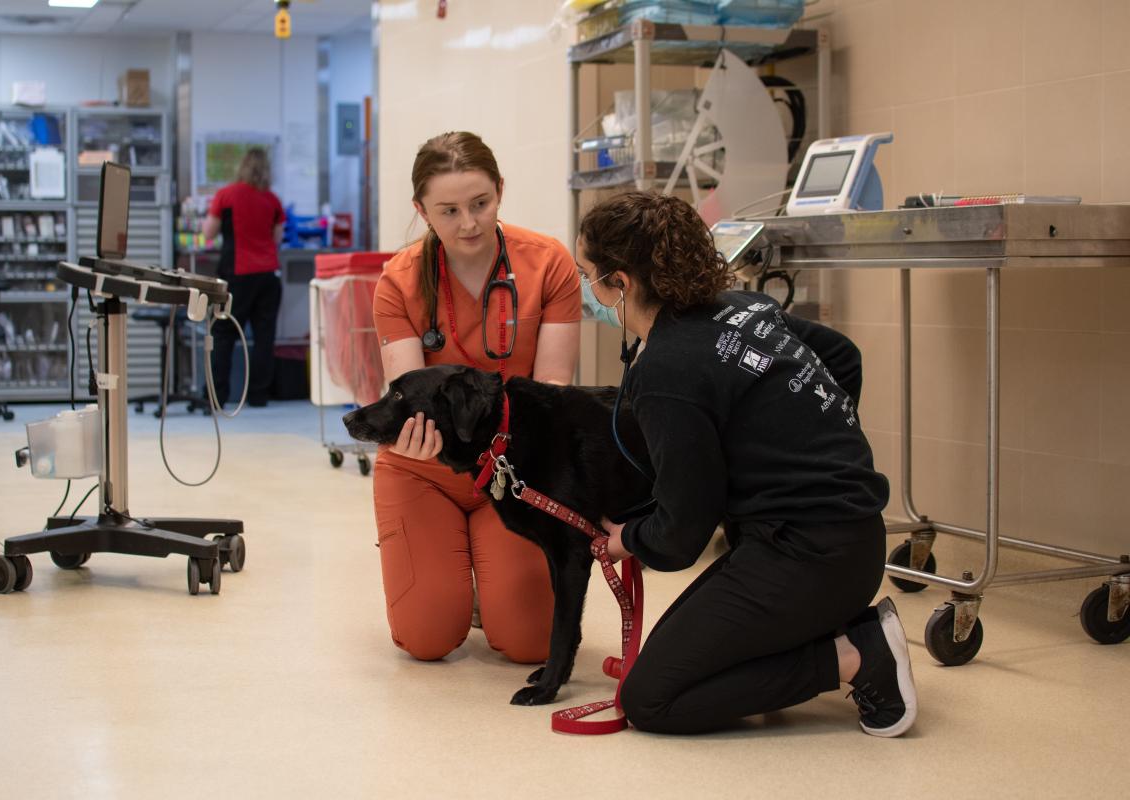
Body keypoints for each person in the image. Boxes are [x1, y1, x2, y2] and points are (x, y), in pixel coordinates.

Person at [578, 191, 917, 738]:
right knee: (698, 653)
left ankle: (857, 657)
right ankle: (835, 626)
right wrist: (804, 447)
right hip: (847, 541)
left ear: (621, 283)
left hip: (810, 559)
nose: (587, 290)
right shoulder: (743, 307)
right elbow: (842, 358)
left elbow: (681, 536)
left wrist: (628, 538)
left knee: (652, 699)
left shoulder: (665, 369)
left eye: (588, 274)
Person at [369, 131, 581, 663]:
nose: (469, 223)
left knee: (531, 645)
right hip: (425, 471)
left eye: (480, 204)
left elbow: (553, 392)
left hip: (515, 472)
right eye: (449, 210)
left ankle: (493, 584)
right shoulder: (398, 282)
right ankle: (456, 579)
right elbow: (409, 401)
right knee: (427, 639)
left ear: (500, 191)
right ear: (421, 210)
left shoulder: (548, 264)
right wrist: (410, 441)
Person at [202, 147, 285, 408]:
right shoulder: (272, 200)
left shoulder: (226, 195)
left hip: (237, 275)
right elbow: (277, 238)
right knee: (264, 338)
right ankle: (259, 396)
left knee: (224, 333)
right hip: (268, 276)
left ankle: (218, 396)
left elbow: (208, 232)